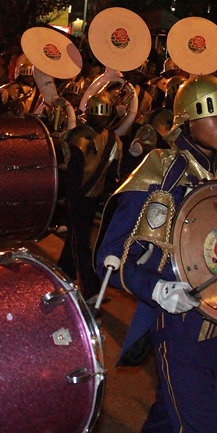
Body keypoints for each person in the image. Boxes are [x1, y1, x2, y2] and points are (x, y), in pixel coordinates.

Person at [95, 75, 217, 433]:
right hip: (176, 319)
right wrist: (157, 290)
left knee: (170, 413)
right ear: (187, 121)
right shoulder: (162, 168)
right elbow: (112, 253)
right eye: (214, 113)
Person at [59, 92, 121, 304]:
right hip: (78, 197)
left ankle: (60, 275)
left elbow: (112, 172)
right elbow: (73, 174)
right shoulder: (80, 137)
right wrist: (72, 201)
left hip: (93, 198)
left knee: (77, 241)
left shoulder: (113, 139)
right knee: (80, 244)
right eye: (98, 115)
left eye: (105, 116)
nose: (102, 120)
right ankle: (88, 289)